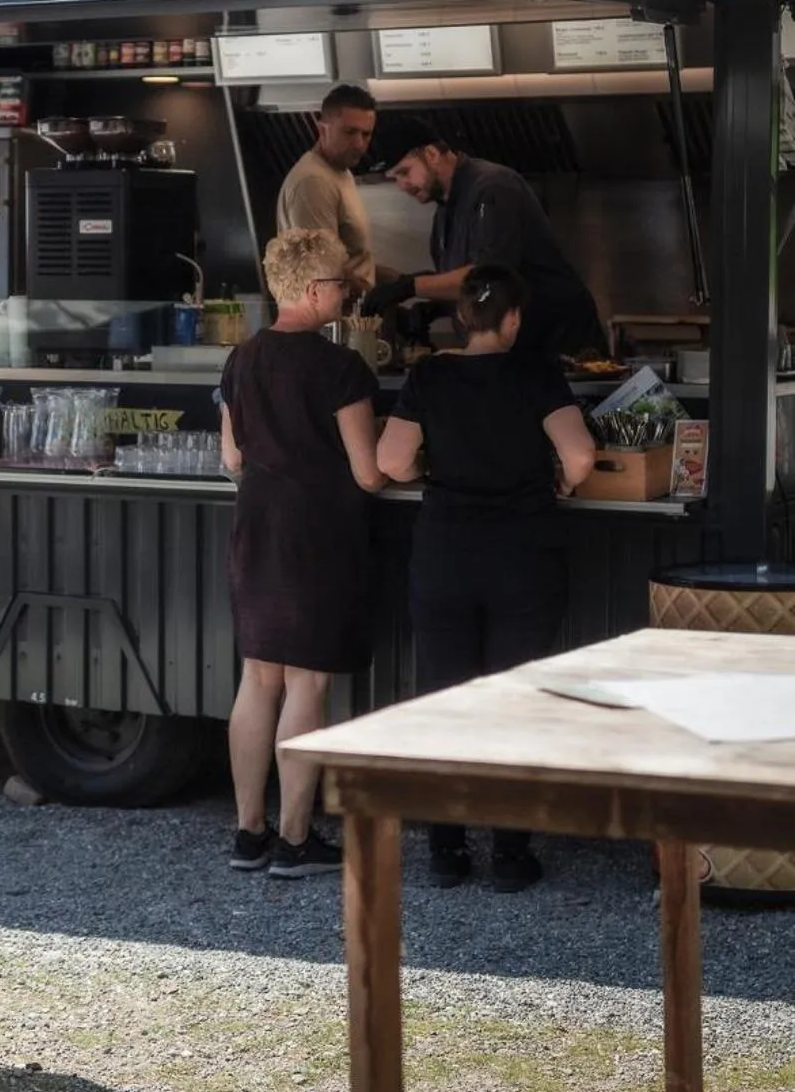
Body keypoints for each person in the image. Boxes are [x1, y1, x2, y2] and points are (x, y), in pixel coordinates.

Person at [376, 264, 596, 892]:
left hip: (446, 551)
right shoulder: (534, 373)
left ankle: (446, 851)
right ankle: (508, 853)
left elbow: (390, 461)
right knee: (513, 700)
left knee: (447, 699)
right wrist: (562, 482)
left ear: (462, 321)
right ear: (513, 319)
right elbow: (580, 454)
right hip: (523, 556)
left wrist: (433, 477)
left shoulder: (429, 375)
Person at [218, 229, 386, 878]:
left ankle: (248, 832)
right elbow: (369, 473)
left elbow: (231, 458)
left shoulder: (241, 359)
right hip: (318, 532)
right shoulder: (341, 368)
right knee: (306, 682)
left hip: (256, 526)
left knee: (258, 678)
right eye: (342, 284)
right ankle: (294, 839)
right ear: (315, 292)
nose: (347, 294)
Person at [360, 116, 606, 365]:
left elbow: (489, 280)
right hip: (521, 356)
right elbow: (467, 287)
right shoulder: (445, 211)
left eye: (404, 172)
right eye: (395, 179)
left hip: (559, 347)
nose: (403, 185)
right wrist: (429, 309)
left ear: (432, 154)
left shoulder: (493, 187)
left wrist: (410, 286)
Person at [275, 82, 388, 298]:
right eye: (349, 132)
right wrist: (374, 297)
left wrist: (396, 281)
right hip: (329, 322)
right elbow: (323, 269)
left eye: (366, 134)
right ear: (322, 129)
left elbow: (351, 257)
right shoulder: (313, 181)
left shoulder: (341, 171)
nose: (359, 144)